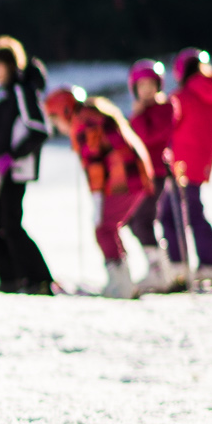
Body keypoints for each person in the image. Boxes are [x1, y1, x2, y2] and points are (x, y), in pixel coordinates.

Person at [44, 85, 154, 299]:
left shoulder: (84, 122)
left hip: (124, 178)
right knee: (108, 227)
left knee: (103, 228)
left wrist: (96, 196)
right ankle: (122, 279)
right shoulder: (90, 115)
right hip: (131, 175)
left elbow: (95, 162)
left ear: (65, 111)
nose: (57, 126)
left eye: (55, 119)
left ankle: (120, 283)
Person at [0, 36, 54, 294]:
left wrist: (13, 155)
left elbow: (39, 129)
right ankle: (11, 277)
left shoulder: (21, 92)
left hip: (15, 171)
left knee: (10, 224)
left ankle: (38, 279)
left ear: (9, 64)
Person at [125, 60, 184, 293]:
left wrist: (138, 116)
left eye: (151, 84)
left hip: (156, 173)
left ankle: (159, 271)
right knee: (131, 220)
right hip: (140, 173)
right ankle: (157, 265)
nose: (147, 89)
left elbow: (147, 137)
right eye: (142, 85)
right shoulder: (143, 111)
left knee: (143, 219)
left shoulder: (165, 108)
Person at [171, 48, 212, 284]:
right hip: (200, 162)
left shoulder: (182, 96)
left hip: (179, 162)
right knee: (193, 210)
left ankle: (181, 263)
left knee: (173, 212)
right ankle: (208, 262)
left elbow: (170, 127)